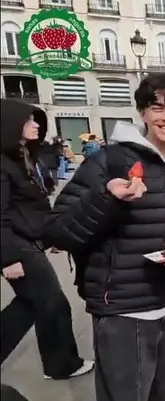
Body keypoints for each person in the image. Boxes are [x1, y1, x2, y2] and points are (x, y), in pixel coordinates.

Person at [45, 73, 165, 401]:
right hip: (122, 309)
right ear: (142, 112)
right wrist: (107, 199)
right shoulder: (107, 161)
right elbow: (57, 231)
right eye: (159, 108)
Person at [0, 99, 94, 380]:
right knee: (52, 304)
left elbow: (30, 208)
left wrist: (48, 235)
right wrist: (8, 258)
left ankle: (60, 363)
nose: (36, 125)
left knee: (32, 304)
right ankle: (62, 365)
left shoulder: (21, 158)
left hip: (28, 242)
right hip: (17, 247)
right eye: (29, 121)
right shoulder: (2, 165)